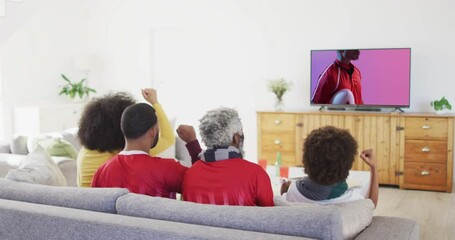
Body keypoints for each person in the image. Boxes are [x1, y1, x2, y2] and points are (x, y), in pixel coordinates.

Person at [77, 88, 175, 187]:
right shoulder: (127, 155)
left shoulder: (83, 153)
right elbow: (168, 138)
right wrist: (155, 102)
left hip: (87, 201)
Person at [180, 107, 274, 206]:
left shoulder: (190, 174)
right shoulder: (256, 174)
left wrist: (192, 143)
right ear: (236, 138)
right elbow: (270, 217)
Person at [91, 103, 187, 198]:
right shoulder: (167, 169)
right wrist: (192, 143)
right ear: (153, 131)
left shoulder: (101, 171)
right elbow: (199, 179)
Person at [280, 126, 379, 207]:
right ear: (347, 166)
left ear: (306, 160)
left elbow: (285, 192)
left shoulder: (292, 192)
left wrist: (285, 186)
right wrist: (374, 168)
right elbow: (371, 205)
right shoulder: (353, 201)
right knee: (365, 185)